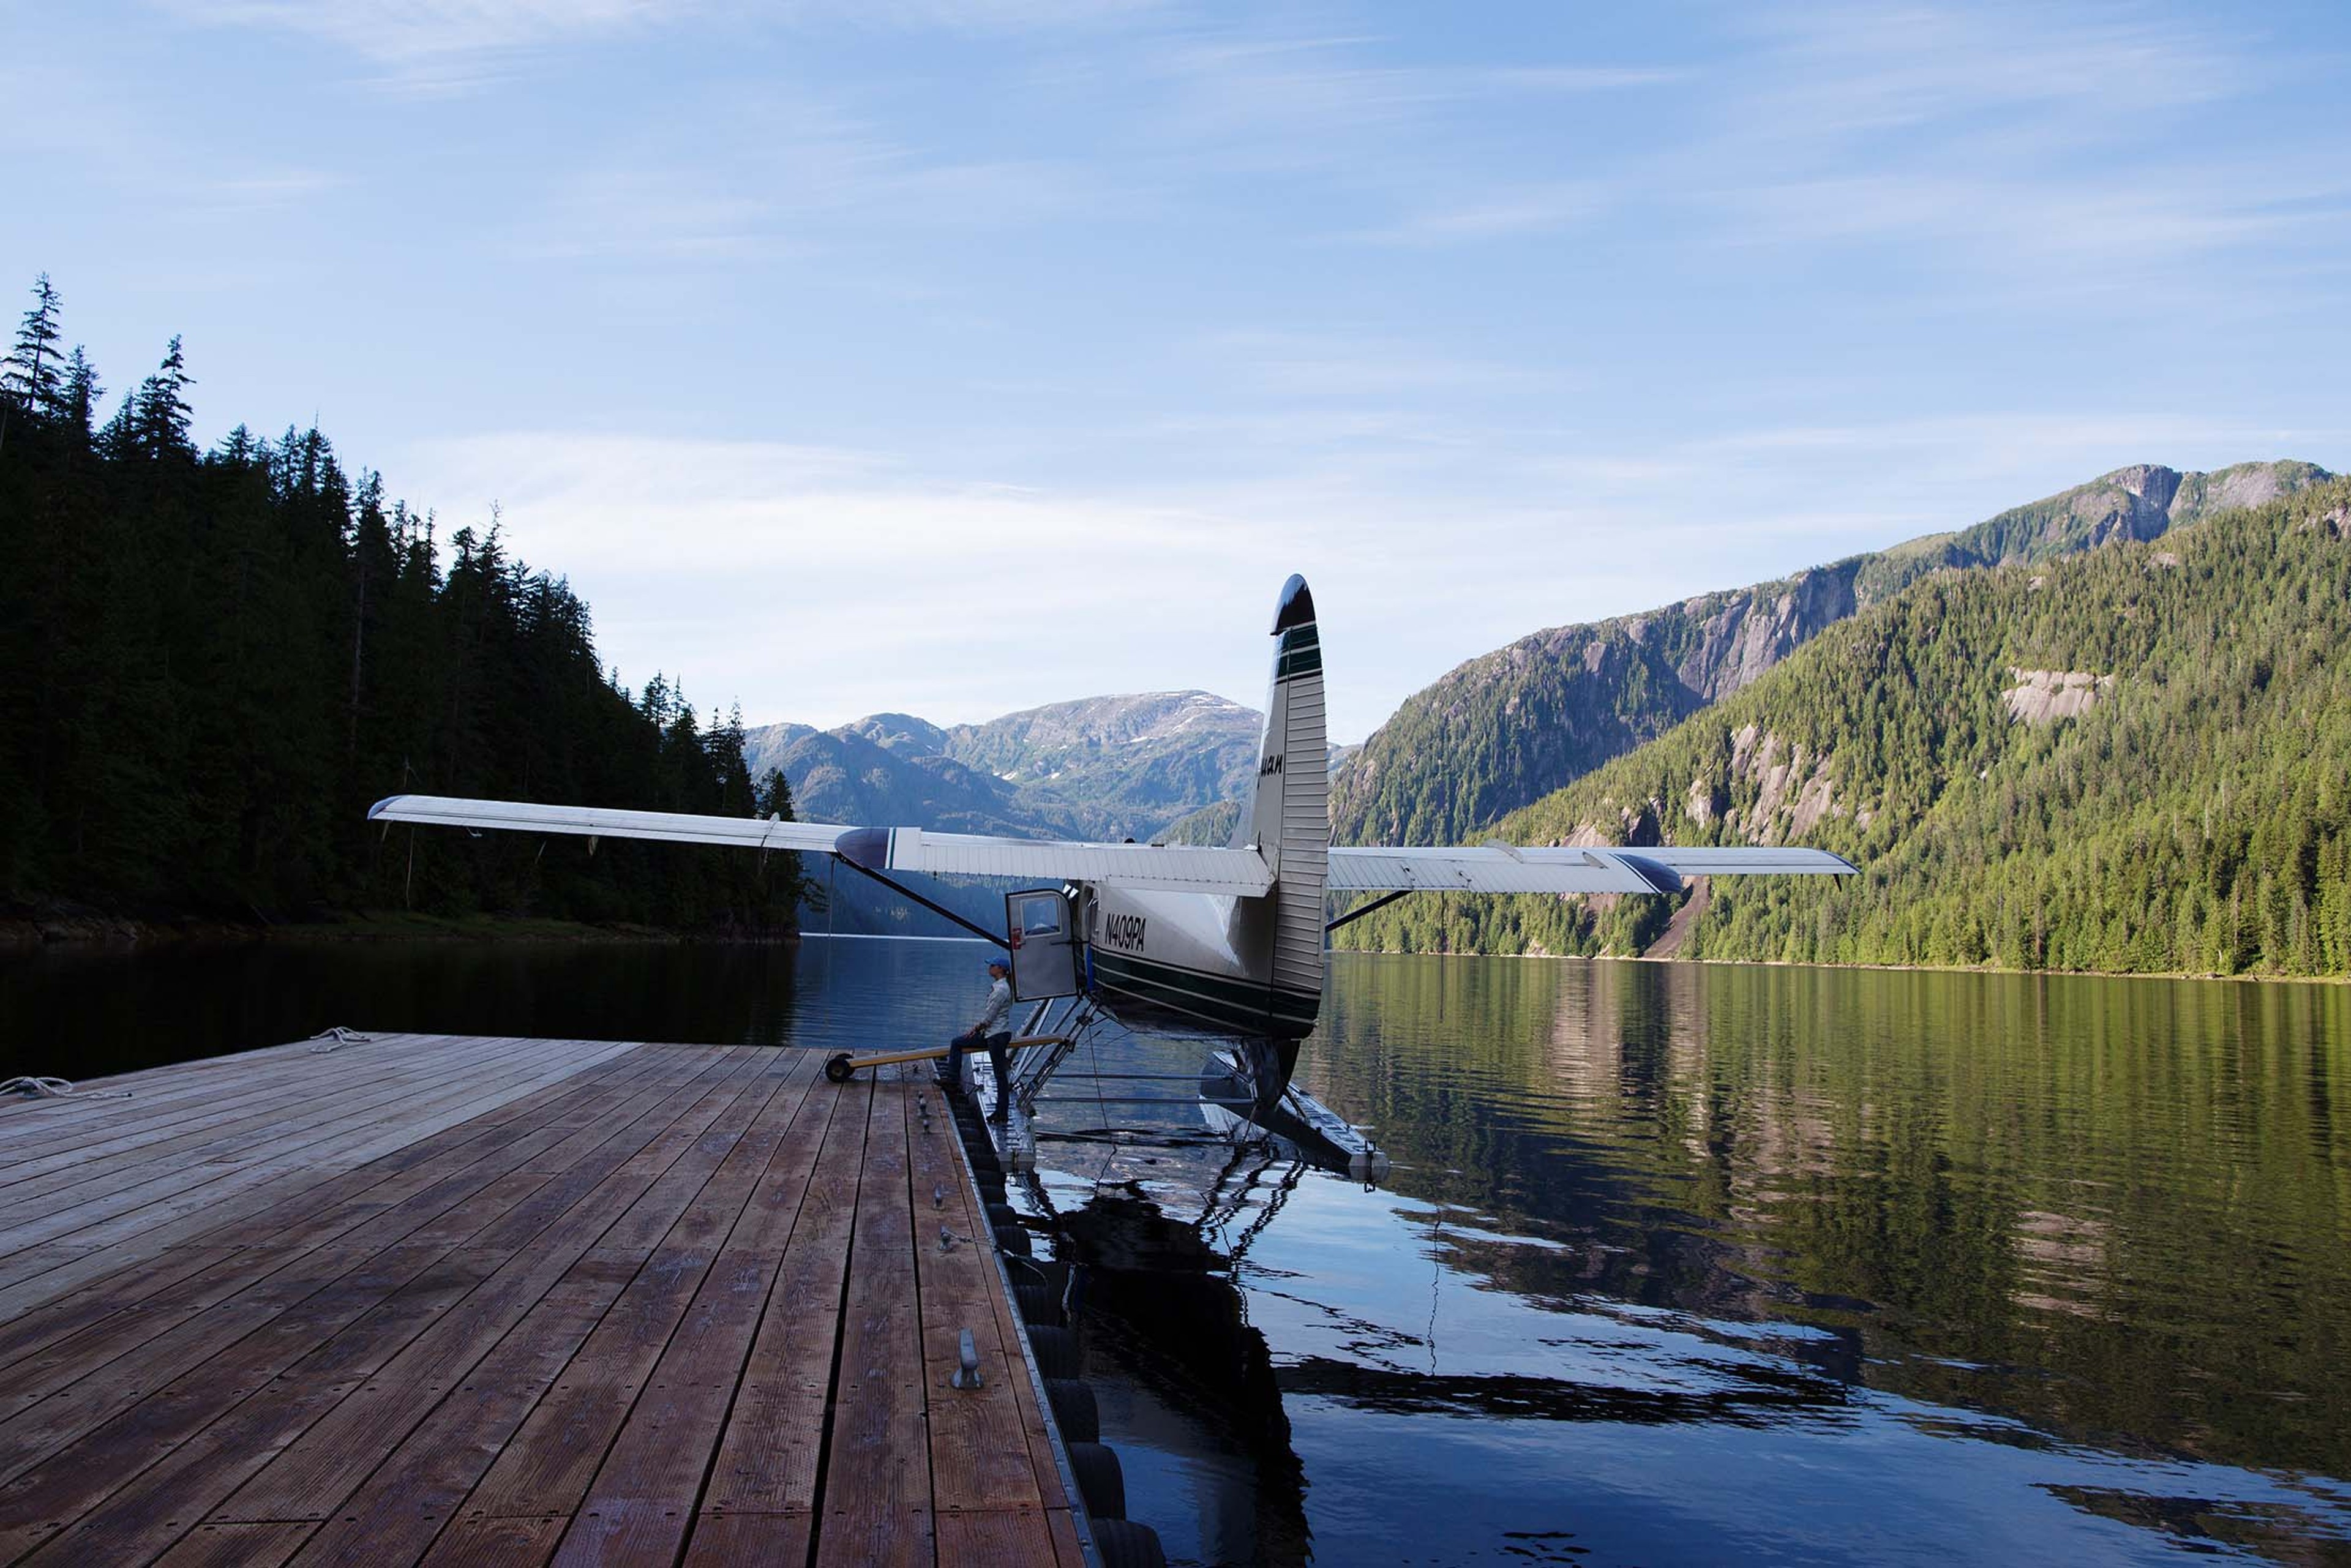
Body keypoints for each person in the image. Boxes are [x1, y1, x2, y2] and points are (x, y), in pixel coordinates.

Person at [943, 956, 1015, 1113]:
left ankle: (1001, 1112)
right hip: (994, 1034)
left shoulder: (1001, 990)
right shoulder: (1000, 987)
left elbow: (989, 1018)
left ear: (1001, 969)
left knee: (1000, 1075)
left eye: (993, 965)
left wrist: (975, 1029)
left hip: (996, 1036)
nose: (990, 967)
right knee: (957, 1043)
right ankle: (952, 1081)